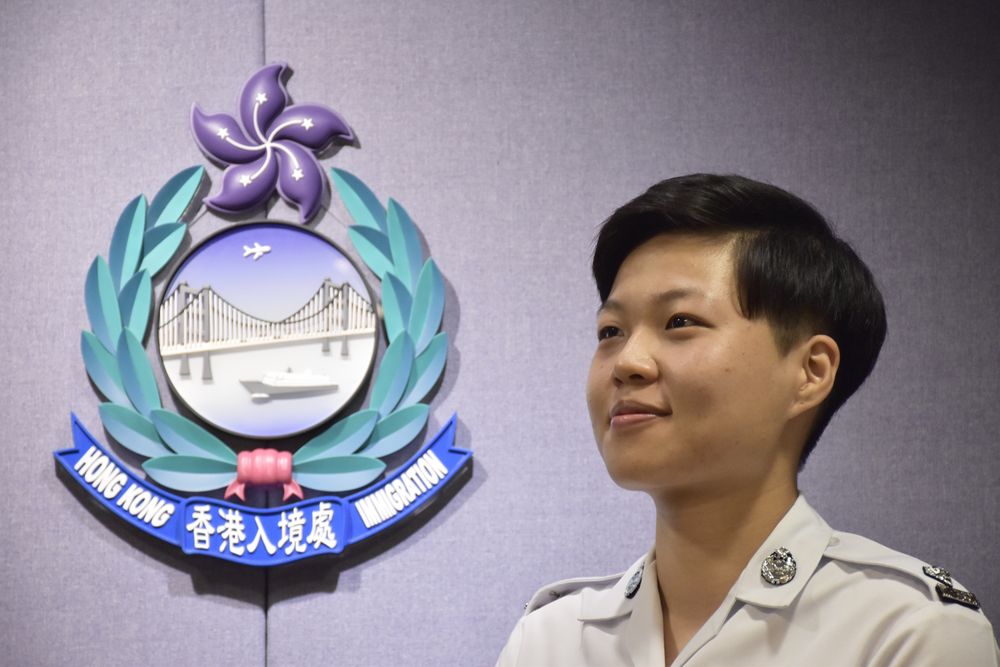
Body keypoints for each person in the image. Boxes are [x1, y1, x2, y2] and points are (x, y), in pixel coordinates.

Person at [496, 174, 999, 666]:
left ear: (810, 372)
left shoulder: (908, 633)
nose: (627, 361)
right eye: (611, 331)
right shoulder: (550, 640)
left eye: (680, 322)